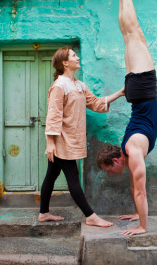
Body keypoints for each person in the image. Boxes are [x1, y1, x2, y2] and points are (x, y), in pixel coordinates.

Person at [96, 0, 157, 236]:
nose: (110, 175)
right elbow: (138, 190)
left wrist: (142, 227)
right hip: (138, 90)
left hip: (142, 88)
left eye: (108, 171)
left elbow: (140, 190)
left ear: (116, 161)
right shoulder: (130, 151)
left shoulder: (132, 152)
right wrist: (137, 215)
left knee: (132, 34)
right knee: (132, 35)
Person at [39, 46, 124, 227]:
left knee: (51, 174)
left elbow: (95, 103)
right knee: (72, 175)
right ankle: (90, 216)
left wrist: (120, 93)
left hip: (72, 137)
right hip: (62, 139)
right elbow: (53, 115)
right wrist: (50, 143)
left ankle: (44, 213)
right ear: (65, 62)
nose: (78, 58)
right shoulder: (59, 86)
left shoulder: (79, 85)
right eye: (74, 56)